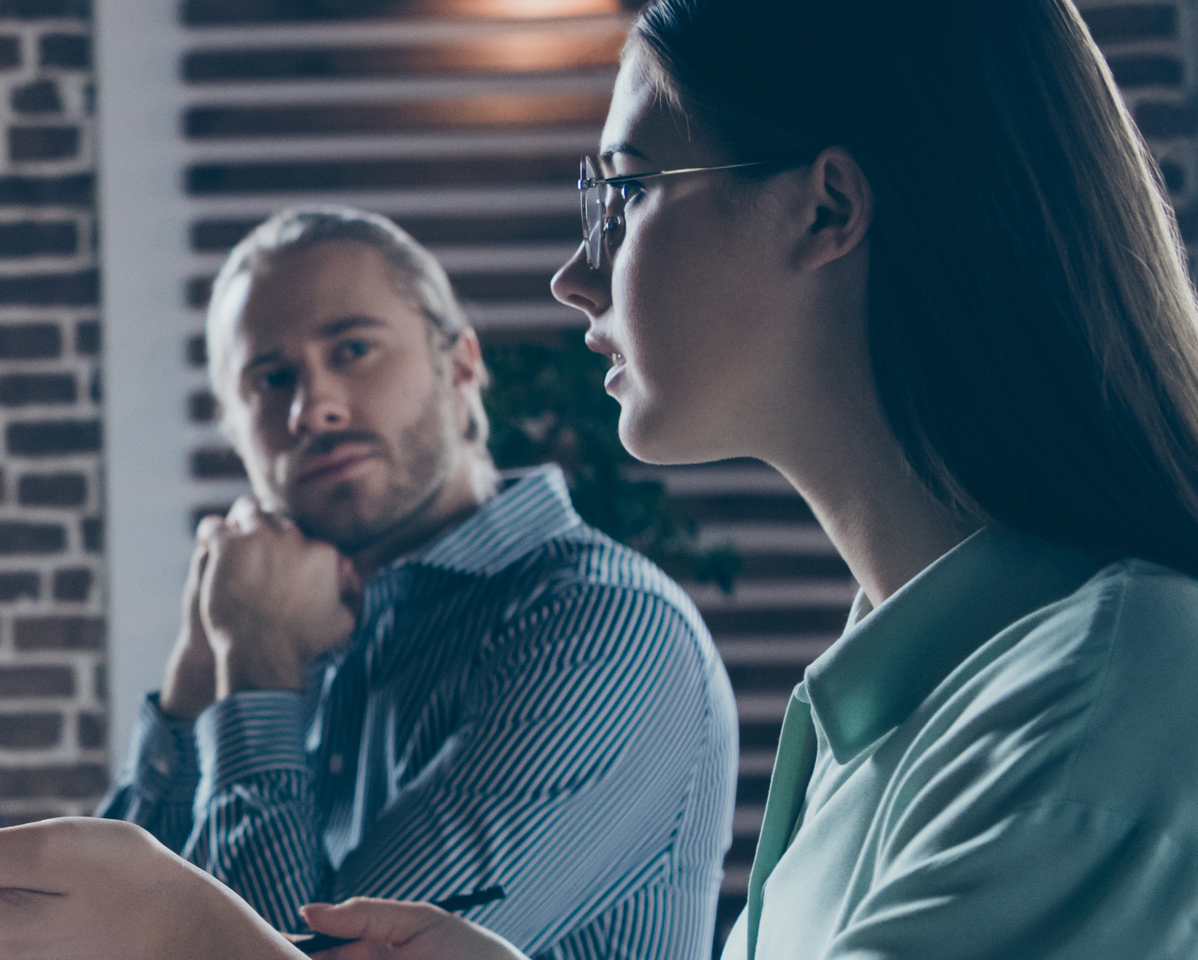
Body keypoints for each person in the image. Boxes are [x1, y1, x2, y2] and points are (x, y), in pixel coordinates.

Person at [0, 0, 1198, 958]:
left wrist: (226, 795)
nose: (575, 280)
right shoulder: (902, 703)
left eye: (623, 185)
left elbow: (279, 930)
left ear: (825, 209)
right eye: (262, 379)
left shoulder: (1124, 697)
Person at [93, 205, 732, 960]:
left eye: (354, 349)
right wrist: (195, 678)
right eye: (271, 379)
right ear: (236, 433)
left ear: (460, 364)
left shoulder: (609, 627)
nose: (313, 408)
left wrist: (254, 664)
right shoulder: (292, 617)